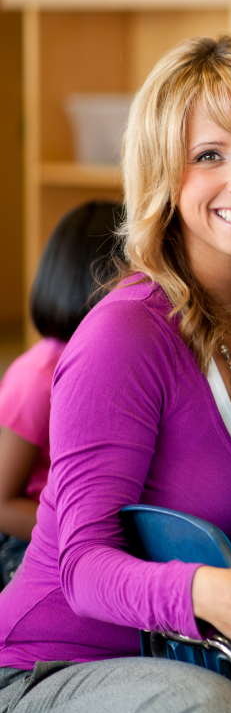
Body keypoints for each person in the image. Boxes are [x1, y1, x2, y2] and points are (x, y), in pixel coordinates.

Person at [0, 33, 231, 713]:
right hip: (41, 680)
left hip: (197, 668)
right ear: (163, 173)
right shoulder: (125, 334)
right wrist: (210, 593)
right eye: (208, 155)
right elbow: (80, 568)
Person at [0, 200, 123, 587]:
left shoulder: (116, 358)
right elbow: (2, 503)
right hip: (31, 541)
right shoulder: (36, 378)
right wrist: (73, 531)